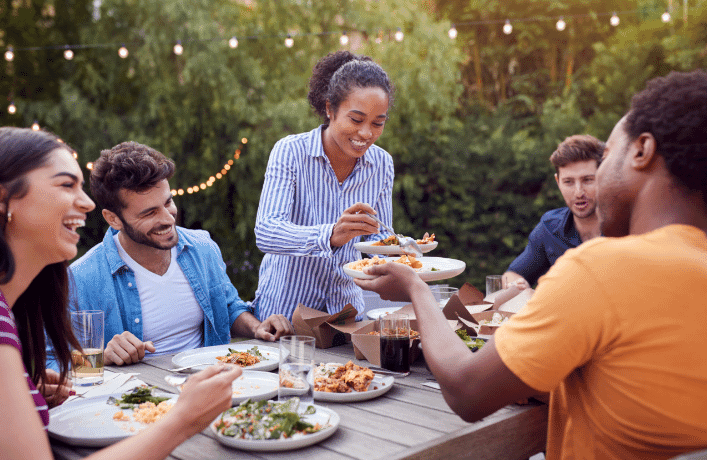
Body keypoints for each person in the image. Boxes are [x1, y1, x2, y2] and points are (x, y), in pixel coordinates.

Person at [356, 69, 707, 459]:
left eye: (607, 156)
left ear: (641, 151)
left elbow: (466, 390)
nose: (588, 185)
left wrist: (415, 287)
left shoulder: (603, 269)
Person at [0, 127, 242, 460]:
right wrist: (183, 419)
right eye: (65, 185)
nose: (87, 203)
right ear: (1, 198)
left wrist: (28, 391)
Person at [51, 141, 293, 368]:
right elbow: (52, 364)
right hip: (139, 405)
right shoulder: (81, 279)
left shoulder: (202, 247)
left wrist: (257, 328)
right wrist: (102, 358)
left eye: (168, 203)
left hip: (210, 385)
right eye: (149, 213)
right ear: (113, 219)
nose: (168, 219)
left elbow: (228, 307)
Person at [252, 50, 396, 321]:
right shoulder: (290, 152)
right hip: (283, 316)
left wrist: (399, 250)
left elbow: (379, 238)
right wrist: (330, 235)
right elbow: (267, 232)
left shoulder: (382, 164)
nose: (366, 134)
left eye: (378, 123)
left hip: (345, 314)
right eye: (356, 120)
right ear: (330, 109)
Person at [502, 134, 604, 287]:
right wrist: (520, 289)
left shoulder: (628, 228)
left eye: (588, 180)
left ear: (604, 176)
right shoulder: (550, 227)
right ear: (558, 182)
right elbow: (510, 275)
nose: (578, 192)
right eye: (568, 182)